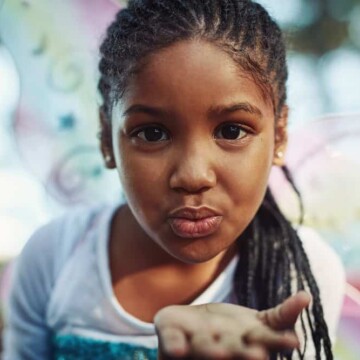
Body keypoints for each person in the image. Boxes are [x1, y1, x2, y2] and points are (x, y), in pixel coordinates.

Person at [3, 0, 345, 359]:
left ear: (279, 135)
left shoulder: (299, 272)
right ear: (107, 140)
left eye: (231, 130)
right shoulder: (53, 257)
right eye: (152, 134)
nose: (193, 176)